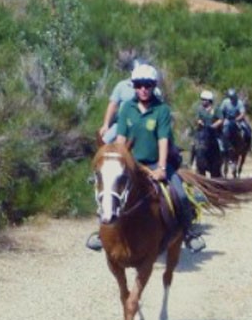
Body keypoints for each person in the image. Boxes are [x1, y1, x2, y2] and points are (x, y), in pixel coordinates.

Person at [87, 64, 204, 252]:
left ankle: (189, 233)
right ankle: (103, 232)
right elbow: (121, 139)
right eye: (139, 84)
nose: (143, 89)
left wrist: (162, 169)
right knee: (109, 190)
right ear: (134, 85)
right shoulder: (127, 108)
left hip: (155, 163)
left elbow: (163, 140)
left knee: (180, 194)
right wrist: (119, 162)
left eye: (147, 85)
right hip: (132, 163)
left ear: (153, 85)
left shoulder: (162, 110)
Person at [98, 60, 163, 144]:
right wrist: (106, 124)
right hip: (121, 123)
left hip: (145, 124)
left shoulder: (155, 91)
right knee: (104, 142)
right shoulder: (122, 86)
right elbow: (112, 105)